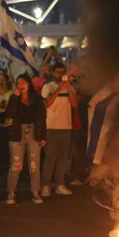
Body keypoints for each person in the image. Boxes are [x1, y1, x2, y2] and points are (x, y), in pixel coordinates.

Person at [4, 75, 46, 204]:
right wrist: (15, 97)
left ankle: (35, 192)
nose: (20, 85)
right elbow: (9, 114)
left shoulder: (37, 99)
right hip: (17, 133)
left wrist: (43, 136)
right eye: (18, 83)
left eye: (23, 83)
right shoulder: (14, 97)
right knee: (16, 165)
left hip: (34, 132)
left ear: (28, 84)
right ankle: (11, 193)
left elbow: (42, 117)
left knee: (34, 165)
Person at [40, 62, 75, 196]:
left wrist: (68, 89)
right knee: (50, 157)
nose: (60, 75)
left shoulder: (69, 86)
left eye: (62, 72)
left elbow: (74, 104)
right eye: (58, 72)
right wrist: (59, 89)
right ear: (53, 73)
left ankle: (60, 184)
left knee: (63, 157)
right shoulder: (47, 87)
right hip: (52, 127)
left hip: (66, 126)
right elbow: (47, 104)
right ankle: (45, 185)